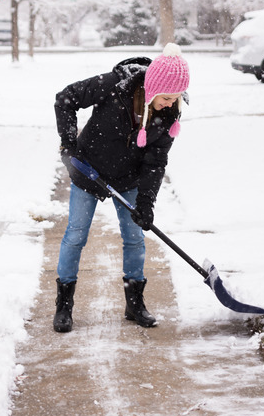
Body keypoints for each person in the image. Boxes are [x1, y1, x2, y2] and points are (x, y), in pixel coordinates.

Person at [52, 43, 190, 333]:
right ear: (152, 89)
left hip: (128, 179)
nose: (170, 104)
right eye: (166, 97)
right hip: (88, 171)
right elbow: (66, 98)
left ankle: (135, 303)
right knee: (76, 236)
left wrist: (146, 203)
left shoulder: (168, 115)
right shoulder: (114, 86)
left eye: (176, 99)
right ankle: (64, 305)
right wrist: (68, 142)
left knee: (134, 237)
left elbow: (155, 162)